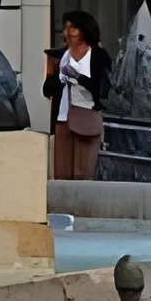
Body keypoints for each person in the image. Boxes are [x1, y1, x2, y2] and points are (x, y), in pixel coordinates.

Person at [42, 10, 110, 179]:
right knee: (61, 174)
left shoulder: (98, 56)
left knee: (84, 174)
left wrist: (77, 76)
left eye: (72, 28)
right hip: (62, 120)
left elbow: (103, 89)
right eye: (66, 28)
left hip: (86, 117)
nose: (67, 33)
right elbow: (47, 89)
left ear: (84, 30)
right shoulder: (60, 56)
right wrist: (60, 76)